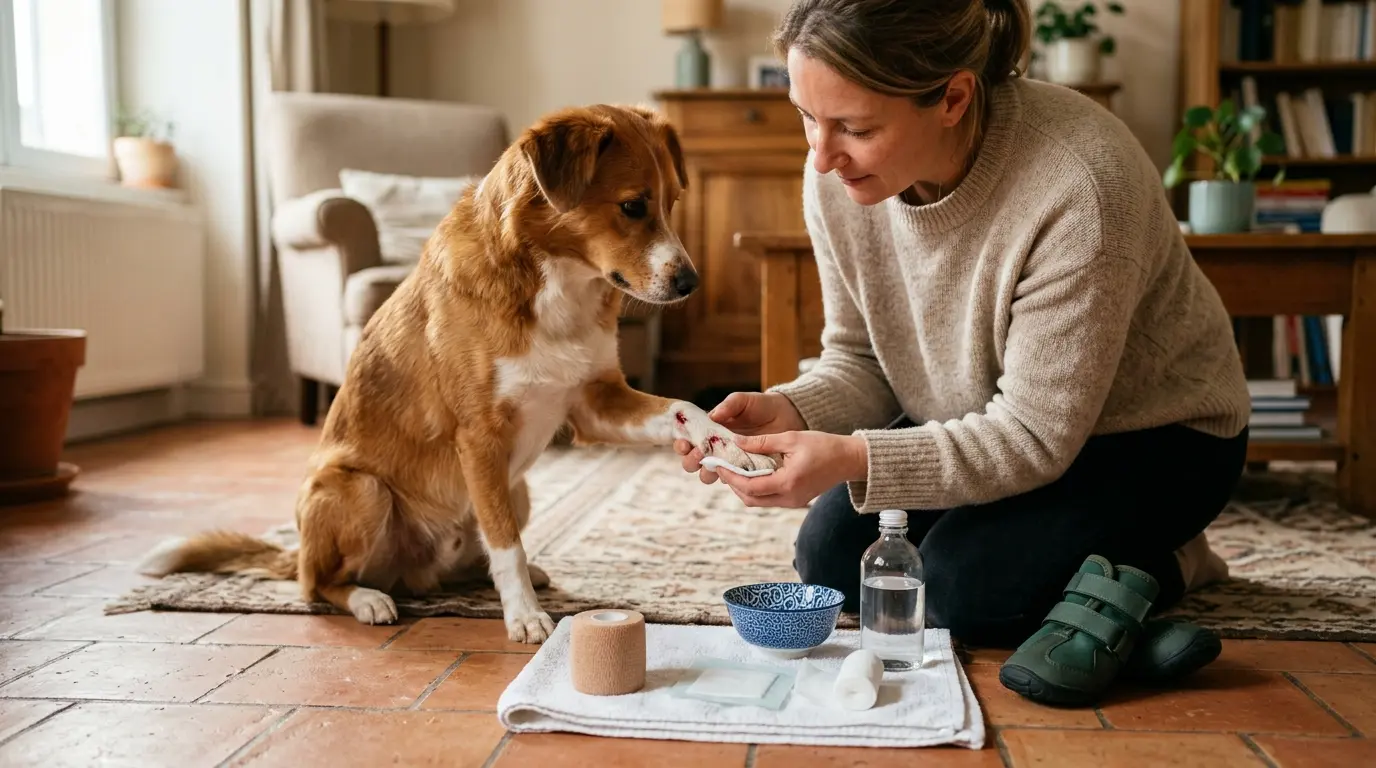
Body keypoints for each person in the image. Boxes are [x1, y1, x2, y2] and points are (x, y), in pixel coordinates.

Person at [674, 0, 1251, 653]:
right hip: (987, 417)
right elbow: (862, 357)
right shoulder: (837, 177)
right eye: (806, 116)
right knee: (832, 560)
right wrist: (790, 410)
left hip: (1155, 437)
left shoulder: (1081, 181)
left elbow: (1033, 435)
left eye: (854, 127)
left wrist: (855, 456)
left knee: (966, 594)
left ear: (952, 98)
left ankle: (1173, 558)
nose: (823, 156)